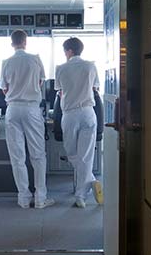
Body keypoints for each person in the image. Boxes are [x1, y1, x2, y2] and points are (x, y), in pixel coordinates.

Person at [0, 29, 55, 209]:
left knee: (17, 156)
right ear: (25, 42)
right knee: (38, 155)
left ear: (12, 43)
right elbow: (40, 83)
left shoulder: (6, 62)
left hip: (12, 109)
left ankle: (23, 198)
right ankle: (40, 198)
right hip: (31, 109)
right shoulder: (35, 59)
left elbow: (4, 89)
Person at [55, 37, 103, 208]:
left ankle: (86, 187)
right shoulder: (91, 66)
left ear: (68, 51)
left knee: (71, 153)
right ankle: (82, 194)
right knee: (86, 155)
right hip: (89, 113)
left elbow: (60, 92)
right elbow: (95, 89)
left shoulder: (60, 68)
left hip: (70, 114)